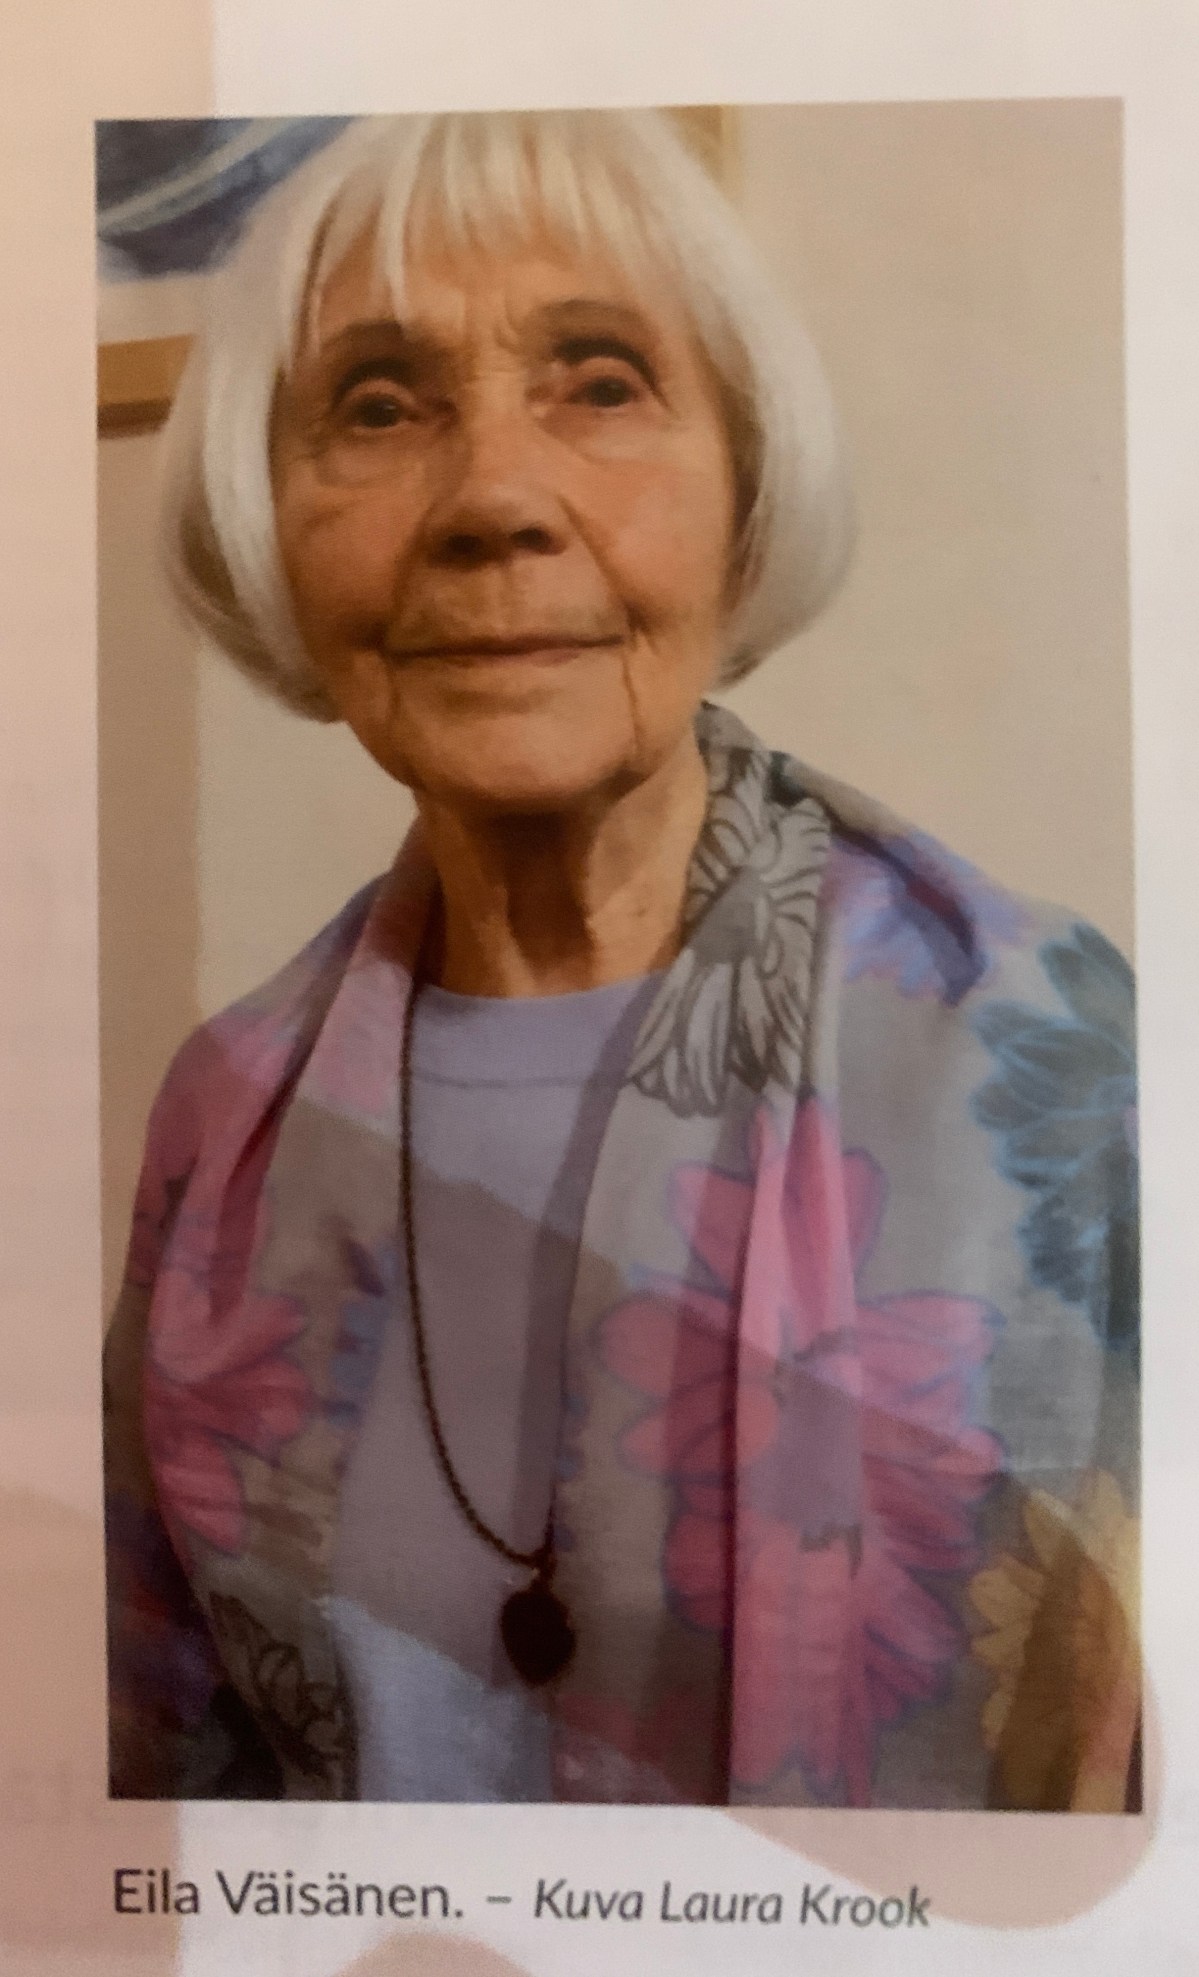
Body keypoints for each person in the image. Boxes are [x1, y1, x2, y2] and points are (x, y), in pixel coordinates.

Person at [104, 108, 1139, 1809]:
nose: (494, 499)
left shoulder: (1056, 1056)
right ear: (267, 521)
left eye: (598, 383)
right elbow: (157, 1808)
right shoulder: (223, 1118)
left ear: (746, 491)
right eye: (379, 406)